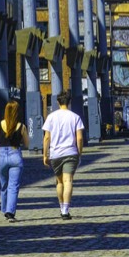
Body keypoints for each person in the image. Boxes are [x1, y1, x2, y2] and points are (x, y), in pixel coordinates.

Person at [43, 89, 85, 220]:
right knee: (68, 181)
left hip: (55, 154)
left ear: (57, 102)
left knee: (59, 182)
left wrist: (45, 155)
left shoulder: (51, 117)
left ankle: (61, 207)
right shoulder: (75, 117)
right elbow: (79, 138)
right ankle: (65, 210)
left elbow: (46, 138)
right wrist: (79, 153)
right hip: (70, 153)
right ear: (69, 102)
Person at [0, 101, 27, 222]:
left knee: (4, 185)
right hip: (15, 154)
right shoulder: (21, 126)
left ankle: (4, 209)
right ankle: (10, 212)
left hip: (2, 156)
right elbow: (27, 143)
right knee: (14, 186)